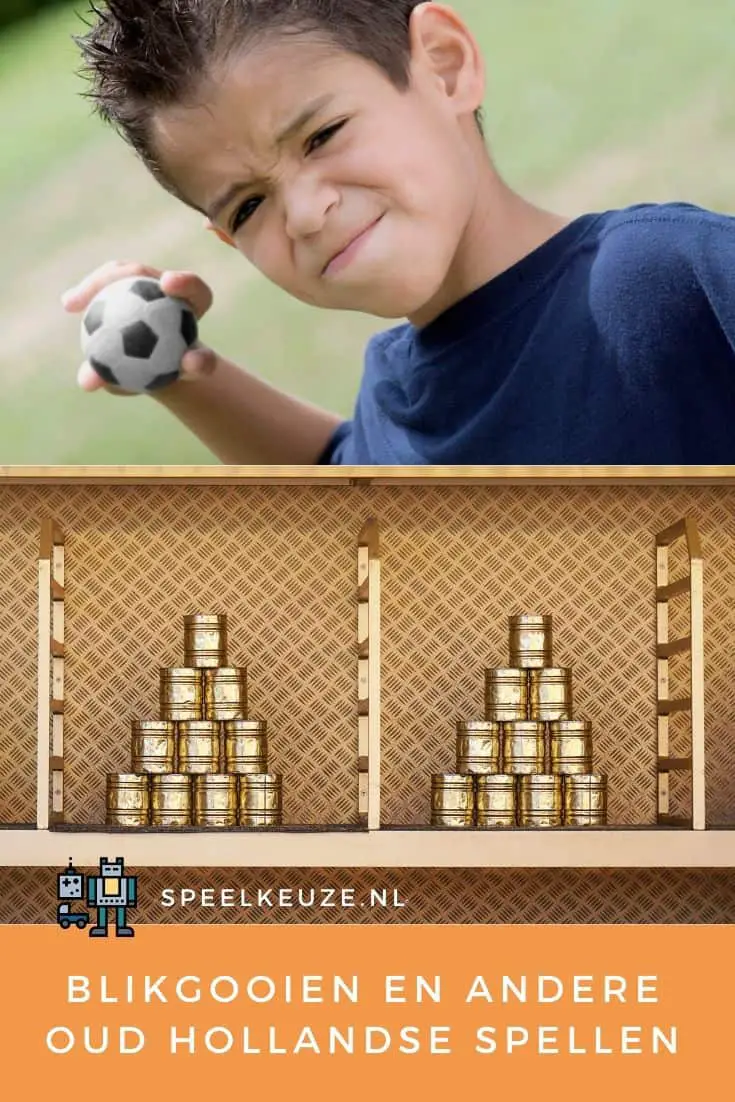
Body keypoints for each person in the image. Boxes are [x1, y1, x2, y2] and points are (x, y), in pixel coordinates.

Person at [62, 0, 735, 464]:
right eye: (247, 207)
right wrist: (179, 373)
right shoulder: (397, 395)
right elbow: (348, 495)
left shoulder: (662, 282)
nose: (301, 213)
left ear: (443, 65)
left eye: (321, 135)